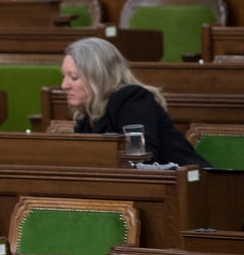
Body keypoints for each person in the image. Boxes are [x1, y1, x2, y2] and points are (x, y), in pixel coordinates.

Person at [61, 37, 211, 167]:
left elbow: (142, 161)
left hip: (189, 188)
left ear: (99, 77)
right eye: (64, 76)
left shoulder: (133, 100)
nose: (64, 85)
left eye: (74, 77)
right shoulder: (87, 118)